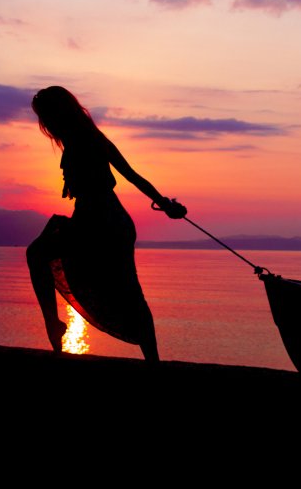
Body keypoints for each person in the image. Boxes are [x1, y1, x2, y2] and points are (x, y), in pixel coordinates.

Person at [26, 86, 186, 362]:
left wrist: (164, 203)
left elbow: (131, 175)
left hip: (104, 222)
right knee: (126, 291)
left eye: (46, 116)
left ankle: (54, 324)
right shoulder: (77, 138)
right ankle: (151, 358)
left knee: (127, 291)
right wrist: (164, 203)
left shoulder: (88, 138)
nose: (46, 123)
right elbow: (131, 176)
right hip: (96, 221)